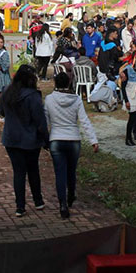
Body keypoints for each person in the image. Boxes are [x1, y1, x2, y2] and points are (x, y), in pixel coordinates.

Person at [44, 71, 98, 218]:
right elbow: (84, 120)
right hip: (73, 139)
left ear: (55, 83)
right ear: (68, 83)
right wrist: (93, 140)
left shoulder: (49, 99)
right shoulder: (76, 99)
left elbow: (46, 122)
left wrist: (44, 139)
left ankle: (62, 204)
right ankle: (71, 195)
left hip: (56, 139)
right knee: (71, 171)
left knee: (60, 173)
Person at [0, 65, 49, 217]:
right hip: (30, 140)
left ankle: (20, 206)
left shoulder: (7, 92)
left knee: (19, 173)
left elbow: (1, 112)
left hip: (11, 139)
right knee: (33, 170)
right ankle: (38, 200)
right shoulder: (33, 96)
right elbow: (40, 121)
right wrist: (46, 140)